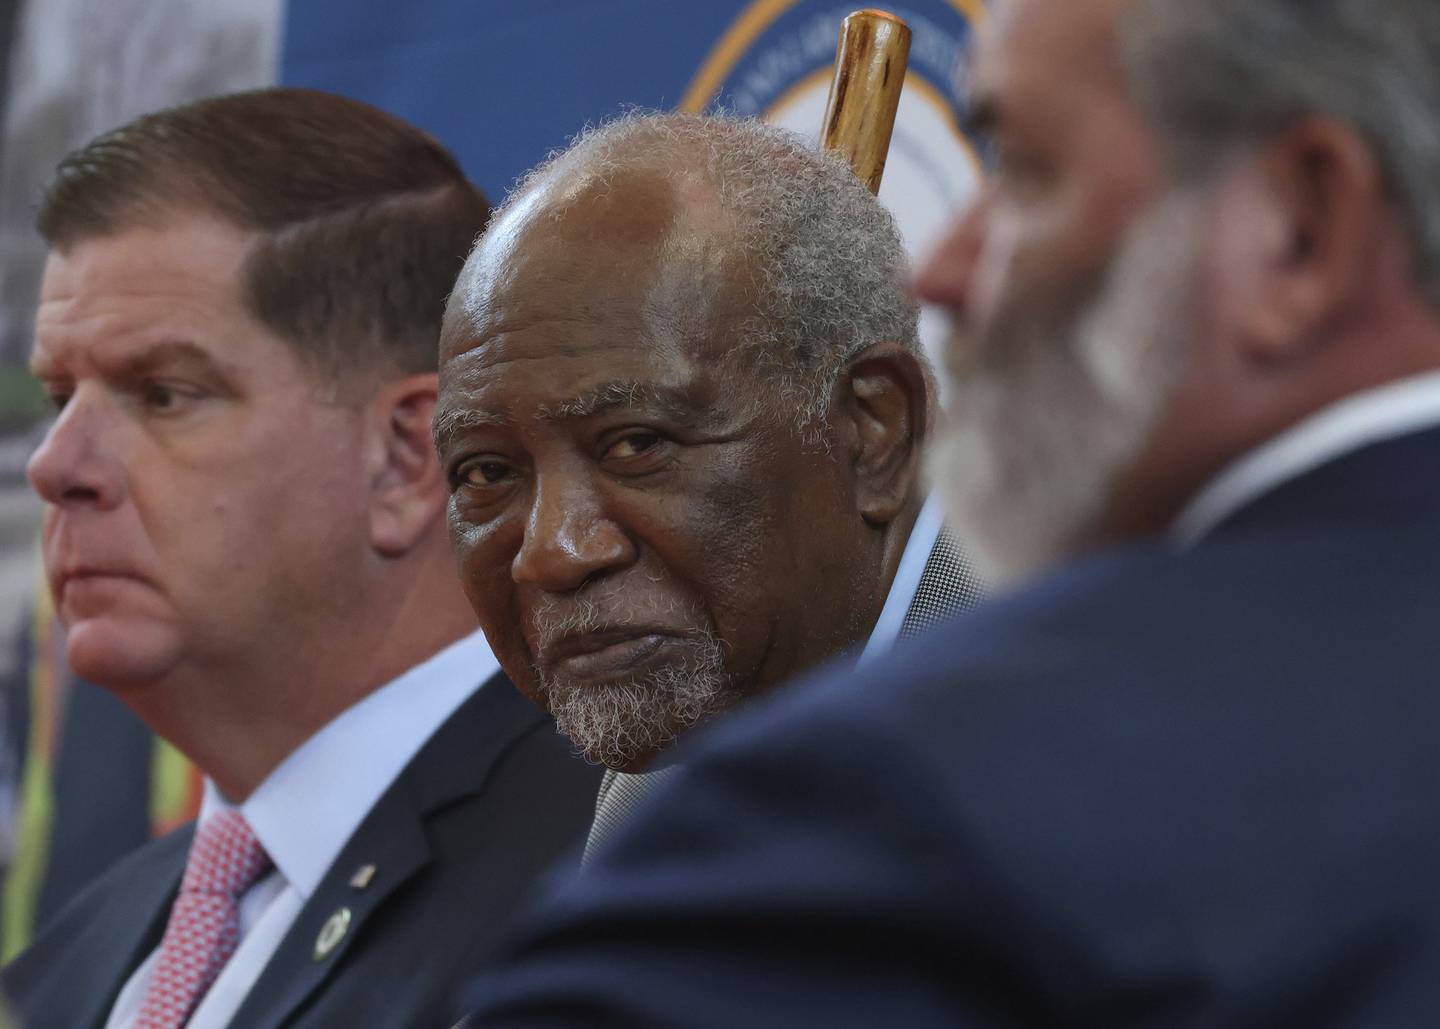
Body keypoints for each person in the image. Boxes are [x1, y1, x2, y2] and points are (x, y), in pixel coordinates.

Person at [453, 0, 1440, 1024]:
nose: (943, 267)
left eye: (1023, 172)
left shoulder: (942, 787)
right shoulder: (683, 781)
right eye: (482, 470)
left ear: (1301, 223)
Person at [1, 87, 601, 1028]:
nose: (56, 465)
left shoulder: (619, 867)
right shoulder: (73, 958)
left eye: (162, 393)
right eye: (57, 396)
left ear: (408, 458)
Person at [434, 113, 981, 857]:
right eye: (487, 472)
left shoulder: (1072, 730)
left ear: (874, 430)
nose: (553, 552)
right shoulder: (648, 800)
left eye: (636, 444)